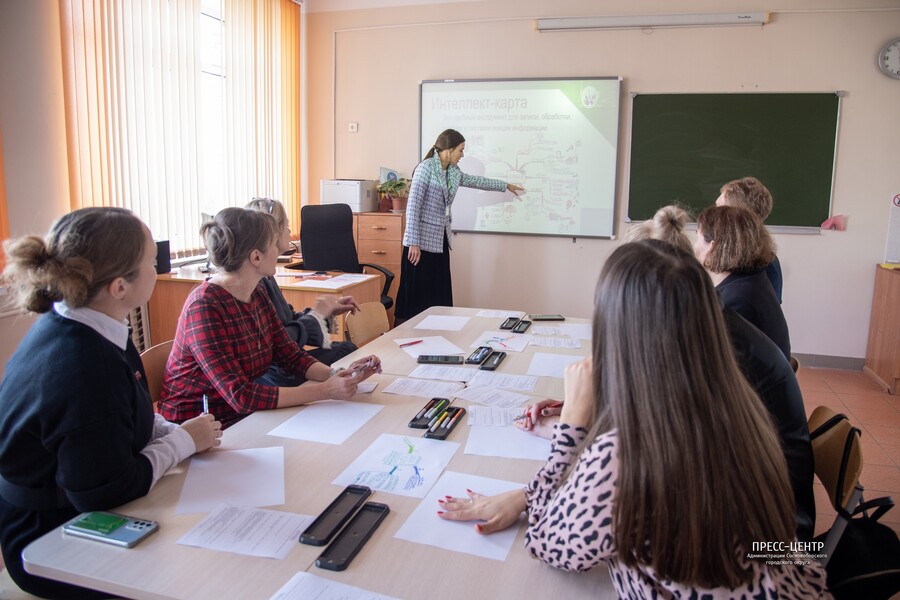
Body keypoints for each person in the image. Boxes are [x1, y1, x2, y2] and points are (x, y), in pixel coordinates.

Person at [439, 241, 831, 598]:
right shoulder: (737, 405)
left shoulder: (628, 455)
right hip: (795, 573)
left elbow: (546, 543)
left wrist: (573, 426)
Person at [0, 207, 222, 598]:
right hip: (51, 539)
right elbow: (106, 491)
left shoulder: (91, 326)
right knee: (208, 574)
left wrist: (178, 432)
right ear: (120, 287)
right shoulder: (82, 364)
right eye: (152, 262)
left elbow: (127, 412)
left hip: (80, 507)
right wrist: (184, 441)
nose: (158, 270)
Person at [158, 207, 381, 429]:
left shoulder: (257, 292)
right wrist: (325, 390)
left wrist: (338, 374)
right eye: (274, 244)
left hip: (243, 418)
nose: (279, 251)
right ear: (256, 257)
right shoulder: (204, 306)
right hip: (198, 428)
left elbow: (290, 356)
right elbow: (240, 395)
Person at [396, 128, 524, 321]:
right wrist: (414, 242)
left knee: (438, 294)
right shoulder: (425, 168)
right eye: (460, 150)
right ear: (448, 149)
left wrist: (505, 185)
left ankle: (438, 330)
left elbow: (477, 181)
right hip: (419, 244)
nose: (462, 155)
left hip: (440, 241)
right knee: (417, 298)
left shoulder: (453, 172)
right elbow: (413, 206)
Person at [245, 197, 358, 380]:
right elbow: (283, 342)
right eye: (286, 226)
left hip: (285, 362)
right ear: (272, 234)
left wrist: (327, 313)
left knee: (345, 350)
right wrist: (318, 315)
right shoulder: (256, 283)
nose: (290, 231)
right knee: (345, 352)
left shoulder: (267, 275)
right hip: (275, 372)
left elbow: (289, 322)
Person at [695, 204, 791, 361]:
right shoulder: (751, 278)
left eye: (697, 238)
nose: (694, 246)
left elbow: (709, 358)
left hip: (752, 384)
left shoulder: (738, 299)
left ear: (712, 248)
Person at [715, 176, 783, 302]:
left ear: (737, 216)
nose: (713, 215)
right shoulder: (765, 256)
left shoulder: (761, 263)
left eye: (720, 208)